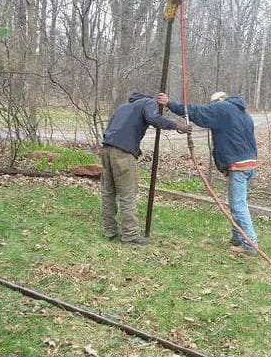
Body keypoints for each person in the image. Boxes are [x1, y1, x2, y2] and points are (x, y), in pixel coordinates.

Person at [158, 91, 259, 256]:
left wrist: (169, 104)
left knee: (238, 205)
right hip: (250, 164)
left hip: (239, 165)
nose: (213, 108)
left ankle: (250, 244)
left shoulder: (223, 108)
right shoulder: (242, 113)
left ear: (217, 102)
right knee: (239, 203)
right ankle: (237, 238)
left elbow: (197, 112)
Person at [101, 92, 191, 245]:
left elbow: (114, 128)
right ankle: (130, 234)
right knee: (127, 192)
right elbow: (153, 119)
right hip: (123, 153)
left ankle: (109, 230)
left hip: (107, 149)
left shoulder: (124, 107)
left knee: (108, 192)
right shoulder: (148, 102)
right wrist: (177, 125)